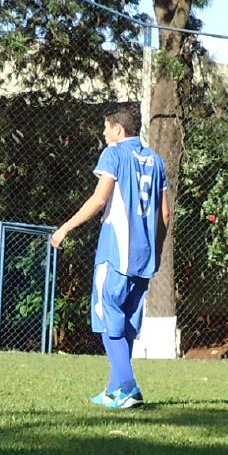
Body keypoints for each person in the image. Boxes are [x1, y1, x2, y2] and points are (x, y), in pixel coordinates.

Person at [50, 103, 171, 410]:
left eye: (106, 128)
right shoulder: (156, 160)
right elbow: (166, 214)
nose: (103, 133)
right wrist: (156, 250)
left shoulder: (114, 154)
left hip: (116, 250)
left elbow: (99, 199)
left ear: (118, 129)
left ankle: (129, 388)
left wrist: (65, 228)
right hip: (144, 255)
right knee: (126, 322)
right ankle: (114, 390)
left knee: (108, 316)